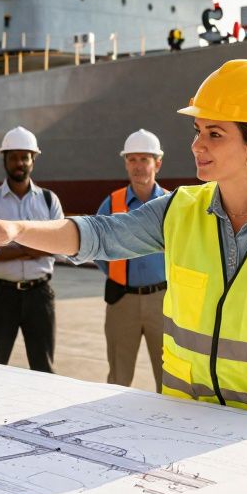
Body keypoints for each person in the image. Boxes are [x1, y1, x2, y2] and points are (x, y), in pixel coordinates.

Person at [0, 59, 247, 437]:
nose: (198, 145)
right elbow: (99, 234)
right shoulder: (179, 209)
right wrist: (15, 227)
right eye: (198, 131)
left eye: (215, 134)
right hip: (182, 421)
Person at [0, 126, 66, 372]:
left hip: (40, 295)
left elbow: (61, 246)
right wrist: (36, 244)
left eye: (24, 157)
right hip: (1, 297)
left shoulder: (49, 200)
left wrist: (7, 245)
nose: (19, 162)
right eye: (13, 157)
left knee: (44, 369)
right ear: (4, 160)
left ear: (33, 160)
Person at [95, 129, 168, 389]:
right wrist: (118, 275)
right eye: (132, 159)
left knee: (170, 378)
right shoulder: (112, 204)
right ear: (126, 163)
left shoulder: (172, 204)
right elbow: (100, 249)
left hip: (163, 301)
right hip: (121, 301)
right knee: (118, 378)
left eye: (144, 160)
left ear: (157, 163)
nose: (138, 166)